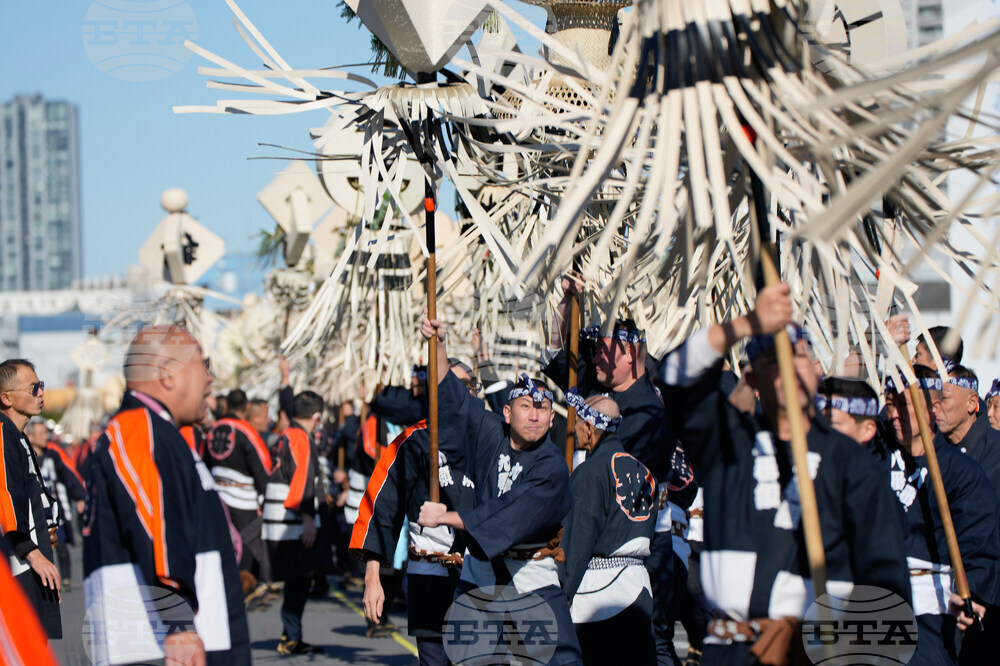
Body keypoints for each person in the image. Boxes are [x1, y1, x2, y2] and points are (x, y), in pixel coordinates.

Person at [658, 284, 911, 664]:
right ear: (753, 381)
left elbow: (888, 586)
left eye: (799, 356)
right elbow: (676, 374)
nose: (790, 367)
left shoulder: (850, 462)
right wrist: (746, 324)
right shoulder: (728, 442)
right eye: (773, 360)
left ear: (815, 373)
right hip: (731, 648)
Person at [418, 315, 582, 665]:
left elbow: (510, 513)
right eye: (526, 406)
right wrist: (440, 344)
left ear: (553, 419)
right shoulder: (489, 432)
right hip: (481, 574)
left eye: (542, 409)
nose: (534, 416)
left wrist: (445, 516)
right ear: (507, 412)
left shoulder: (552, 466)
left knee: (564, 661)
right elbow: (454, 400)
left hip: (532, 578)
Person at [82, 325, 250, 664]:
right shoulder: (137, 426)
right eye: (204, 365)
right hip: (158, 640)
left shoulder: (161, 431)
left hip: (194, 629)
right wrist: (179, 622)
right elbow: (153, 519)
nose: (211, 379)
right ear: (167, 374)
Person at [545, 276, 684, 664]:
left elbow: (616, 485)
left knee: (651, 647)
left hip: (634, 549)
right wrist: (568, 305)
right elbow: (560, 358)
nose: (593, 358)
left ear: (629, 355)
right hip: (587, 542)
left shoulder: (647, 412)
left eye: (602, 351)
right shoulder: (601, 389)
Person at [351, 359, 480, 664]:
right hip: (431, 576)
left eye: (469, 387)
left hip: (482, 578)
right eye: (454, 386)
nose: (462, 394)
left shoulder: (493, 438)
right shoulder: (413, 442)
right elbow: (381, 508)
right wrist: (372, 578)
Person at [883, 366, 1000, 665]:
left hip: (930, 609)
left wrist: (970, 591)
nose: (894, 413)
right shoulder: (876, 458)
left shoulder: (961, 473)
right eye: (891, 402)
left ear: (932, 409)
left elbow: (979, 541)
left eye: (904, 404)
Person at [561, 391, 657, 665]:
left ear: (590, 428)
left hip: (601, 596)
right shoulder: (644, 471)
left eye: (578, 424)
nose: (575, 431)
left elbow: (578, 541)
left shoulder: (590, 473)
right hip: (639, 588)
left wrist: (561, 595)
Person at [0, 359, 62, 640]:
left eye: (41, 386)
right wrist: (33, 553)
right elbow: (6, 499)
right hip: (16, 564)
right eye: (33, 387)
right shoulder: (2, 433)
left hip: (28, 559)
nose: (41, 393)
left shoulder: (19, 437)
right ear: (6, 397)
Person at [262, 389, 325, 655]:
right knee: (299, 580)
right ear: (318, 416)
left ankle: (291, 634)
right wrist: (308, 518)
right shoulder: (301, 437)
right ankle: (291, 637)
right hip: (292, 522)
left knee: (295, 581)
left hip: (277, 519)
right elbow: (302, 481)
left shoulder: (285, 434)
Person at [205, 389, 273, 600]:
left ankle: (224, 584)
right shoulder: (247, 431)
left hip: (218, 498)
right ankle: (244, 587)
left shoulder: (212, 430)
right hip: (244, 502)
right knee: (246, 547)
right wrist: (265, 498)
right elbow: (262, 465)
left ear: (225, 407)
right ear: (245, 408)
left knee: (224, 543)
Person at [27, 420, 85, 591]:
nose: (46, 437)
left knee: (61, 543)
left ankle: (65, 577)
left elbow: (69, 475)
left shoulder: (53, 454)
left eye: (46, 433)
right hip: (37, 510)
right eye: (42, 434)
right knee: (42, 545)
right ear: (31, 436)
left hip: (56, 509)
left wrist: (79, 497)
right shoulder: (26, 454)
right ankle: (46, 578)